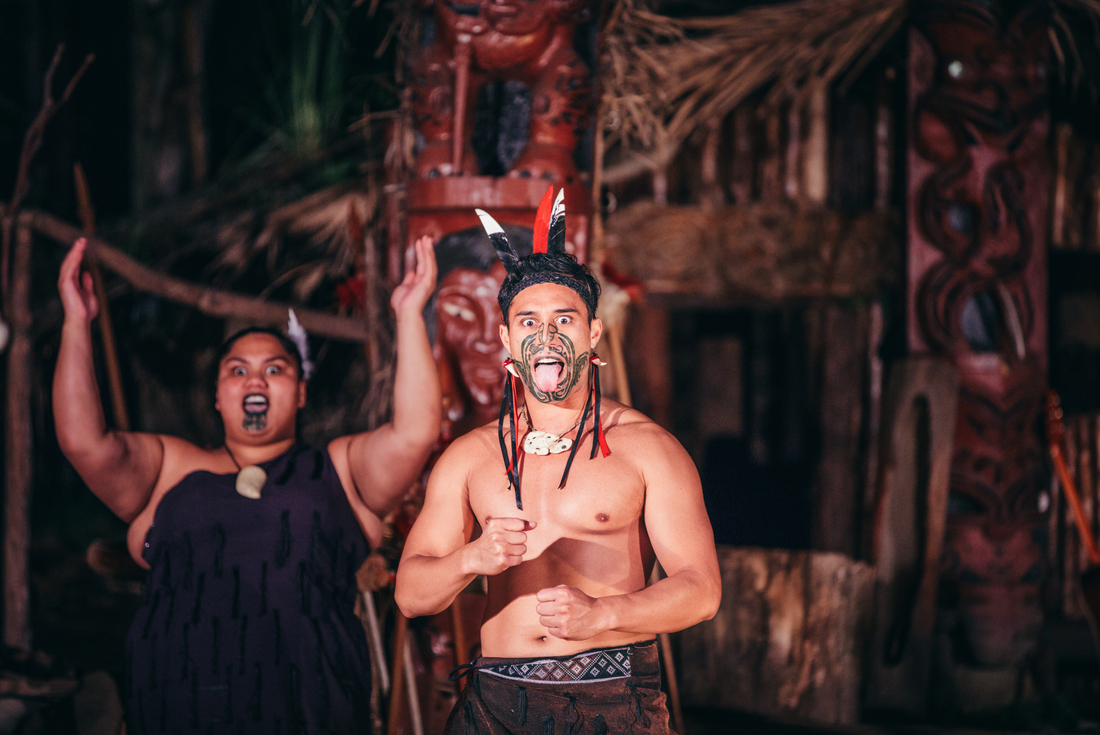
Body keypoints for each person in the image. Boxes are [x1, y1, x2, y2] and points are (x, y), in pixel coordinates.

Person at [53, 235, 441, 734]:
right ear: (218, 395)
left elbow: (415, 433)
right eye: (238, 371)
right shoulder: (170, 466)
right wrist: (75, 323)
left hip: (311, 714)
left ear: (300, 394)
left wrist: (410, 314)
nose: (255, 381)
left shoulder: (340, 469)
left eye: (274, 370)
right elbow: (84, 442)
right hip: (178, 709)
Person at [395, 189, 721, 735]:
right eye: (528, 322)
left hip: (611, 699)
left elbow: (702, 592)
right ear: (507, 341)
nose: (545, 336)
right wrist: (472, 558)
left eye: (563, 320)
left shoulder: (648, 449)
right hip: (494, 701)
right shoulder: (472, 456)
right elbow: (410, 594)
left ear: (592, 332)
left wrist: (605, 613)